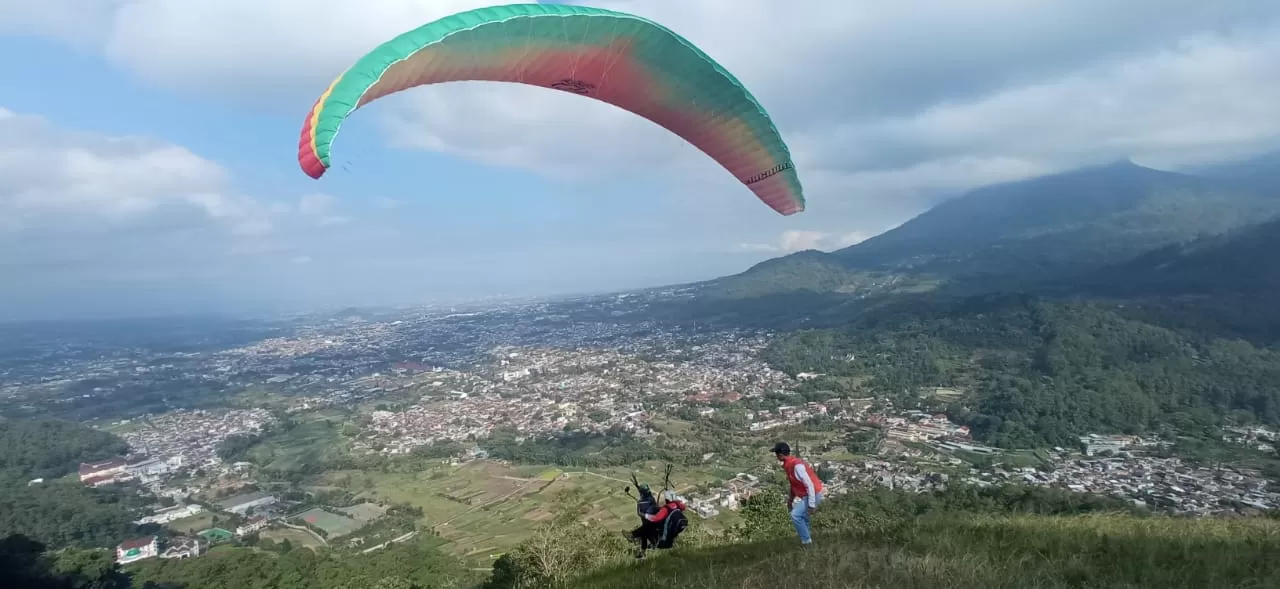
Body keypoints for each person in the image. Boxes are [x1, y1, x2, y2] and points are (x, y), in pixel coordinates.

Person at [771, 441, 823, 545]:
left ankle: (807, 542)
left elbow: (809, 485)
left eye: (776, 454)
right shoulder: (788, 465)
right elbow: (793, 485)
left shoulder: (796, 466)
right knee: (803, 518)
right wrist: (790, 500)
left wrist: (811, 505)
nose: (776, 456)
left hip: (813, 493)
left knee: (795, 515)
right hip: (807, 495)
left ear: (780, 455)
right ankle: (809, 544)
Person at [627, 490, 688, 558]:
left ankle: (632, 536)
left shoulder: (665, 509)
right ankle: (642, 552)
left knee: (646, 527)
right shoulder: (678, 506)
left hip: (662, 540)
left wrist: (645, 515)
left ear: (667, 499)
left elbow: (655, 518)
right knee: (646, 530)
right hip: (670, 539)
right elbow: (683, 507)